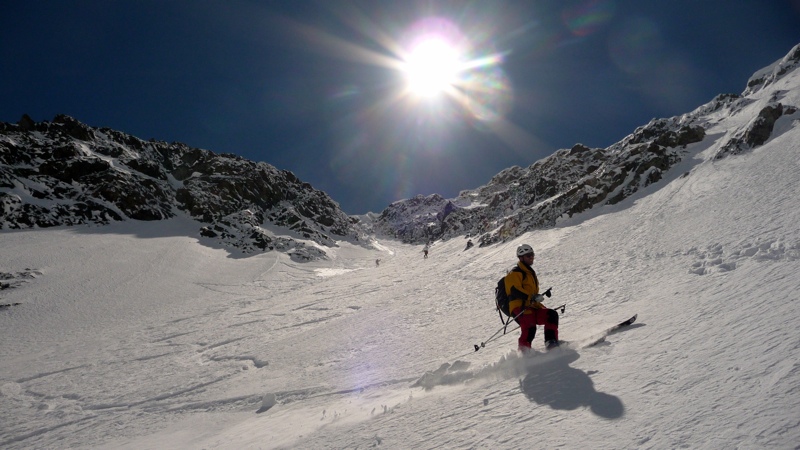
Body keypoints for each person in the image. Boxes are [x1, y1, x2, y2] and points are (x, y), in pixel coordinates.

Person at [504, 244, 559, 351]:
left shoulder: (529, 273)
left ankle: (551, 343)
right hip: (519, 307)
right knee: (530, 327)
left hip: (531, 306)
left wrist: (537, 300)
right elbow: (514, 290)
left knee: (551, 315)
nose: (531, 257)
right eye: (528, 255)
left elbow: (531, 293)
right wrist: (532, 297)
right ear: (521, 258)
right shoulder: (515, 273)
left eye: (532, 255)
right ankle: (524, 353)